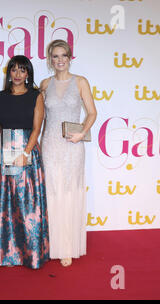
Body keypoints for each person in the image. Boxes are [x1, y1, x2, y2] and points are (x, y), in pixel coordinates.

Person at [40, 39, 97, 267]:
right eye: (55, 56)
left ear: (70, 57)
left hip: (73, 145)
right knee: (52, 193)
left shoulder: (81, 82)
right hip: (50, 145)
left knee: (70, 192)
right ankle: (52, 244)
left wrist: (82, 133)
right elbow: (41, 117)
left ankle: (67, 247)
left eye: (64, 55)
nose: (60, 60)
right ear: (50, 59)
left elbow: (92, 113)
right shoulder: (45, 84)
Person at [0, 55, 49, 269]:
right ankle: (4, 253)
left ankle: (30, 254)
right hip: (3, 151)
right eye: (13, 70)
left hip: (26, 150)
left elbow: (37, 128)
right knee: (4, 203)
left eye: (22, 70)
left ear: (28, 74)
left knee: (26, 203)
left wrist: (26, 151)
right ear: (9, 73)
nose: (17, 74)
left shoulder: (36, 96)